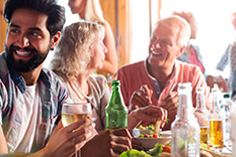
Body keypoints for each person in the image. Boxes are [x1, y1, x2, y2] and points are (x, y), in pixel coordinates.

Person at [0, 0, 93, 157]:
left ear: (54, 40)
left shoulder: (54, 86)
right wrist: (50, 153)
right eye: (15, 31)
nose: (21, 42)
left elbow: (79, 137)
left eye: (33, 34)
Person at [51, 21, 167, 155]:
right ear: (83, 49)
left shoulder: (98, 84)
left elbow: (112, 131)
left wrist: (136, 116)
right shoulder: (57, 85)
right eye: (100, 43)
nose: (105, 49)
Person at [115, 16, 211, 130]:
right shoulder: (125, 74)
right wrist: (131, 112)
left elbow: (210, 120)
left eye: (165, 42)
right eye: (154, 38)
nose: (155, 45)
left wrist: (187, 109)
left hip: (178, 145)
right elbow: (112, 128)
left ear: (180, 50)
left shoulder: (193, 74)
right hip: (135, 147)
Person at [68, 0, 118, 77]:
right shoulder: (76, 29)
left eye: (72, 0)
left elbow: (113, 68)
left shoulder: (102, 27)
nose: (68, 4)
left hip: (93, 82)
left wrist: (81, 59)